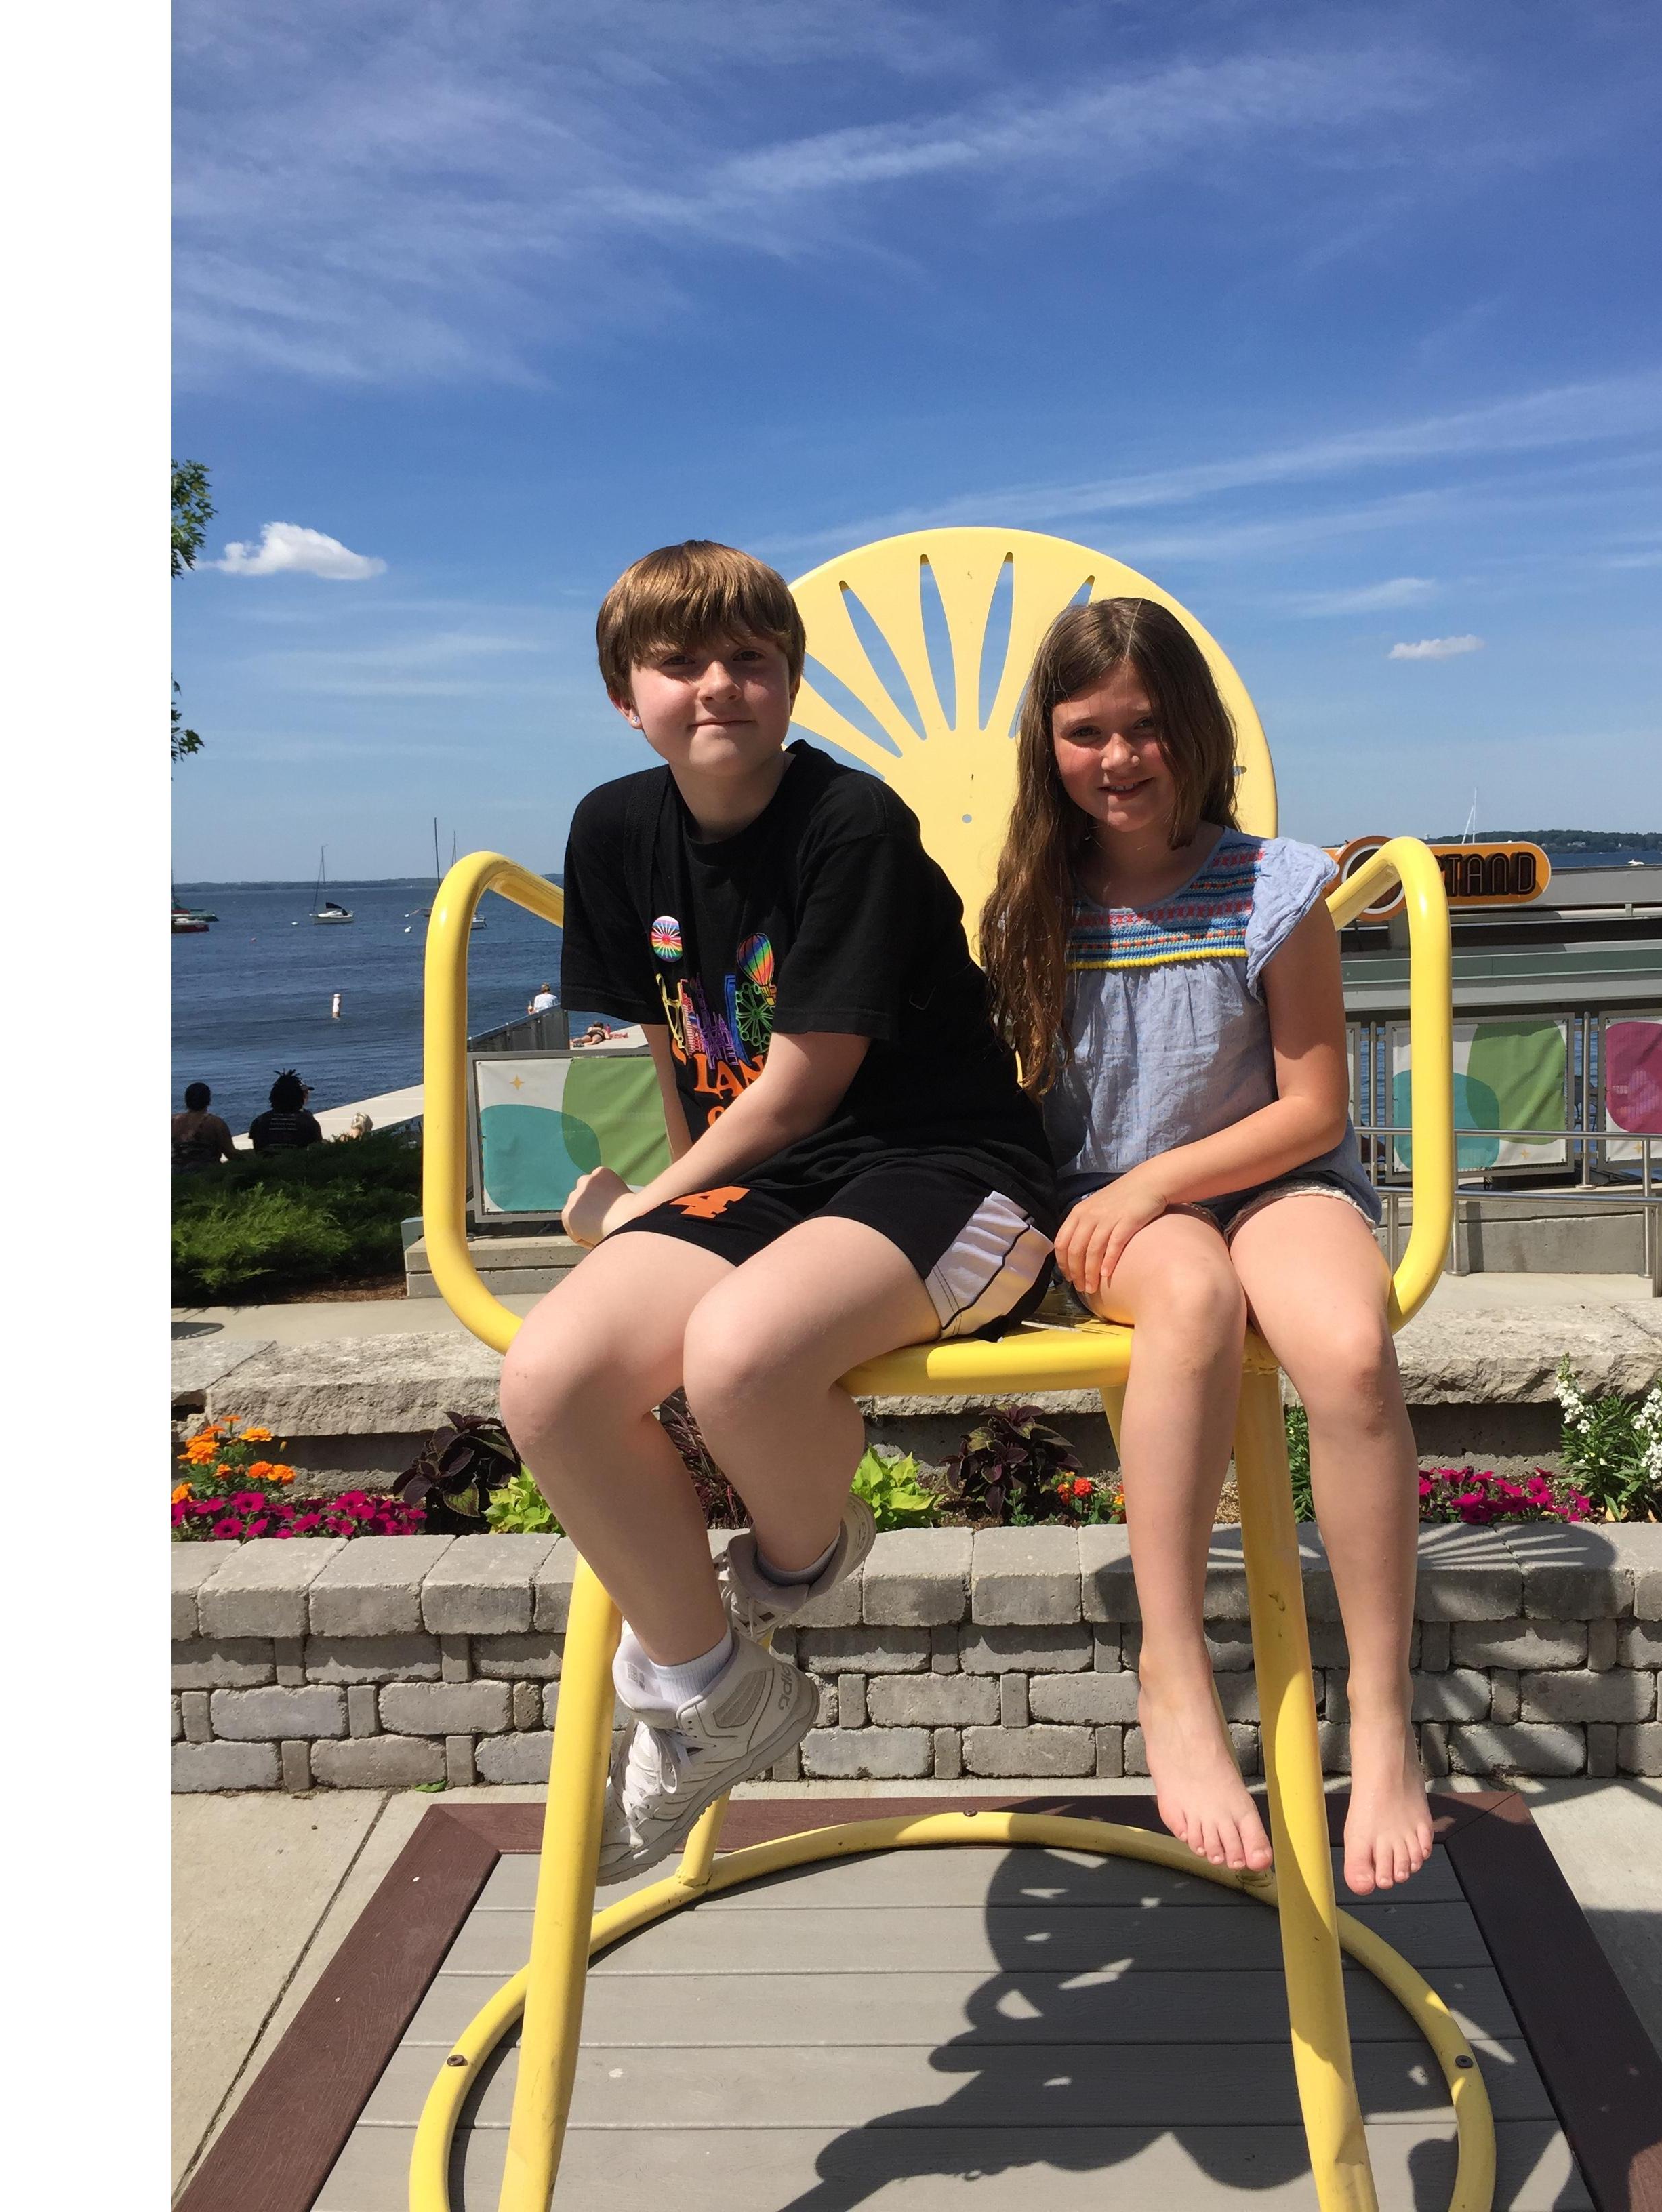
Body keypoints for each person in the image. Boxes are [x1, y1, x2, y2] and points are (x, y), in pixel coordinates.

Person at [498, 541, 1058, 1879]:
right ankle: (717, 1695)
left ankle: (797, 1565)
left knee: (739, 1356)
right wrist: (674, 1220)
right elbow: (676, 1051)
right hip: (774, 1178)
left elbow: (803, 1085)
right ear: (624, 694)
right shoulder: (613, 831)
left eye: (752, 660)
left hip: (942, 1162)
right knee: (553, 1376)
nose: (719, 687)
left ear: (791, 681)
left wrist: (651, 1218)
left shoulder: (847, 823)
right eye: (680, 663)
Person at [978, 597, 1431, 1896]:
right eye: (1086, 732)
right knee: (1189, 1299)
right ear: (1046, 744)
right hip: (1117, 1215)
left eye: (1145, 728)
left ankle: (1384, 1713)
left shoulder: (1273, 885)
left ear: (1194, 733)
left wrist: (1163, 1177)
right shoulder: (1031, 902)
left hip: (1269, 1178)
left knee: (1345, 1353)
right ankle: (1171, 1672)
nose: (1119, 758)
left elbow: (1309, 1107)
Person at [247, 1071, 324, 1152]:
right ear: (299, 1097)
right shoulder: (308, 1122)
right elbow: (317, 1150)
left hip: (266, 1164)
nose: (307, 1096)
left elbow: (258, 1150)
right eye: (305, 1093)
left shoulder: (259, 1122)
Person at [172, 1082, 237, 1172]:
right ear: (208, 1100)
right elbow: (231, 1153)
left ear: (186, 1101)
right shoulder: (215, 1123)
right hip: (207, 1175)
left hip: (175, 1175)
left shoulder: (173, 1121)